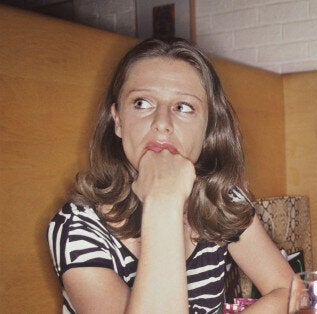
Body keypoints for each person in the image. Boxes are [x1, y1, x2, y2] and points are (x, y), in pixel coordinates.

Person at [47, 38, 293, 313]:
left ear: (208, 127)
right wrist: (164, 202)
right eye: (142, 103)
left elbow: (289, 291)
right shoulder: (78, 227)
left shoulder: (221, 199)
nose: (162, 123)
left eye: (184, 107)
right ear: (117, 120)